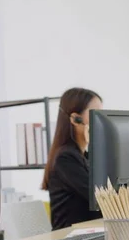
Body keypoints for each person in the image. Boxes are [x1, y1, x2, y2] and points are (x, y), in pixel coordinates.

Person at [42, 87, 103, 230]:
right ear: (76, 119)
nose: (101, 119)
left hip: (90, 233)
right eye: (95, 113)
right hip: (70, 239)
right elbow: (99, 198)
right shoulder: (65, 158)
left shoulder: (84, 156)